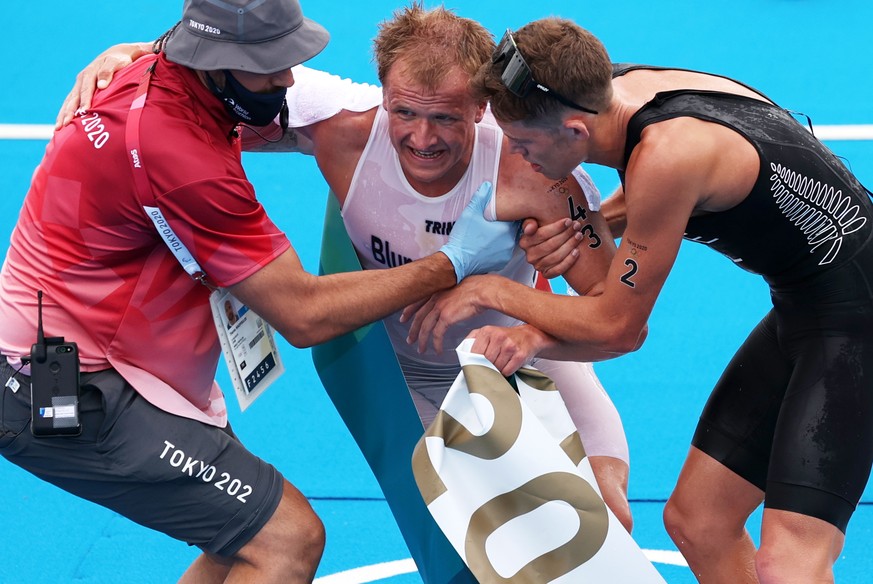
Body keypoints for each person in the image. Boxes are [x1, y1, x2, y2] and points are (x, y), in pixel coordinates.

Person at [58, 2, 636, 573]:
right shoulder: (340, 125)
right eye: (405, 113)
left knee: (607, 524)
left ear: (482, 107)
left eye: (448, 119)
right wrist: (133, 57)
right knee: (474, 559)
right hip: (404, 379)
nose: (423, 138)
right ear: (379, 94)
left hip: (524, 366)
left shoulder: (532, 171)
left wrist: (528, 328)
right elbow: (213, 71)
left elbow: (615, 326)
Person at [403, 16, 873, 584]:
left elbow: (618, 329)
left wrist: (492, 289)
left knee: (790, 563)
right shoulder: (621, 92)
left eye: (525, 145)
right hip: (811, 305)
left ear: (575, 132)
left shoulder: (669, 156)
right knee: (698, 522)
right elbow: (664, 198)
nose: (522, 161)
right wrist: (594, 222)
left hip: (857, 322)